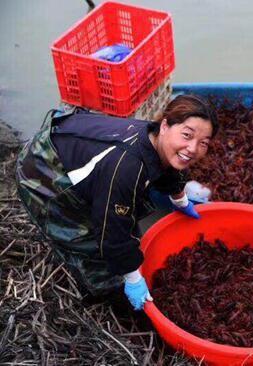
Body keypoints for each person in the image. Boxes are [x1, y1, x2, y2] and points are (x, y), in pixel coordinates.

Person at [15, 95, 218, 310]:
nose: (193, 148)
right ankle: (104, 297)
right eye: (187, 135)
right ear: (165, 125)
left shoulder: (154, 137)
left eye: (203, 143)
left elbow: (168, 168)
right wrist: (132, 279)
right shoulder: (127, 168)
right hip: (41, 169)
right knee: (94, 245)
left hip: (73, 138)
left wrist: (180, 200)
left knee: (123, 216)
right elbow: (111, 231)